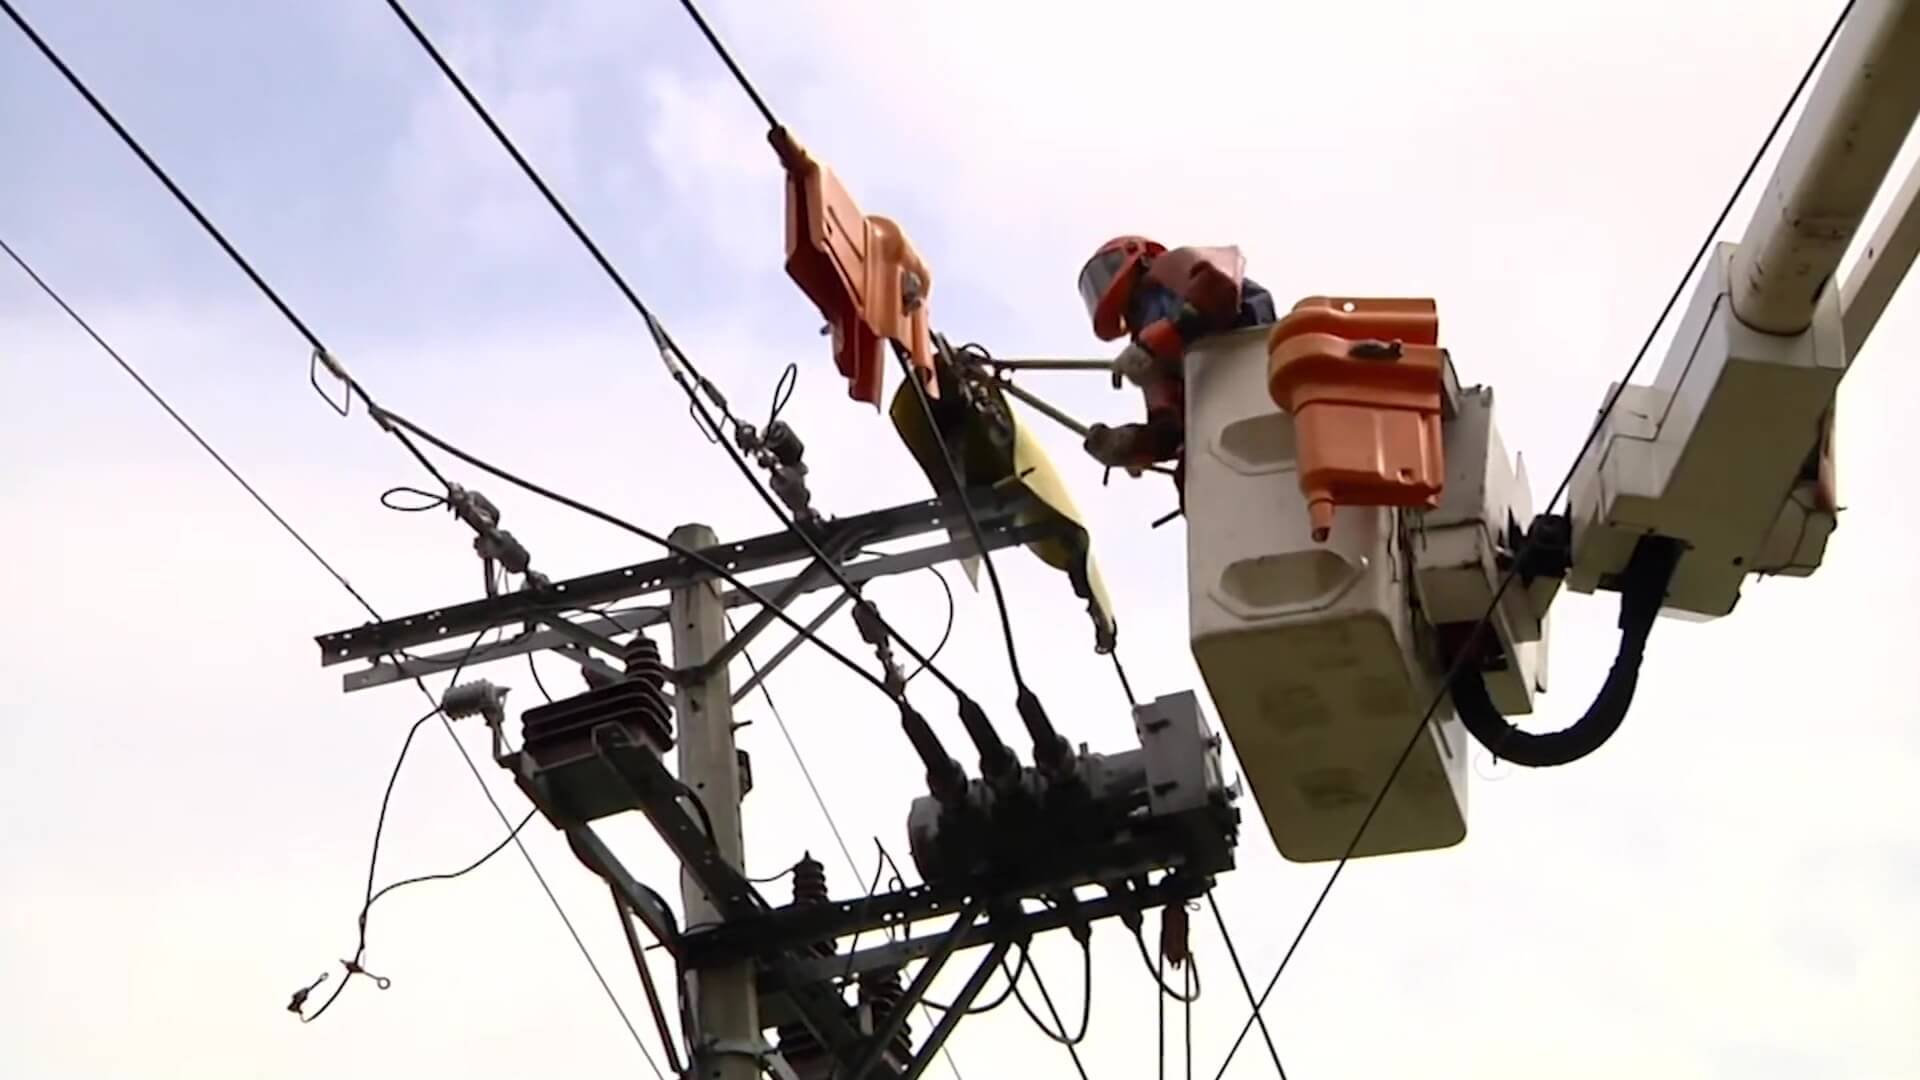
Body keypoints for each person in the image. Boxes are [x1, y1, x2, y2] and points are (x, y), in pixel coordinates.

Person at [1075, 237, 1277, 486]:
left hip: (1249, 351)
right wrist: (1131, 444)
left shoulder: (1171, 266)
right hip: (1217, 396)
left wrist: (1160, 340)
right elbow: (1171, 428)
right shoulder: (1144, 343)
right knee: (1191, 473)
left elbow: (1220, 290)